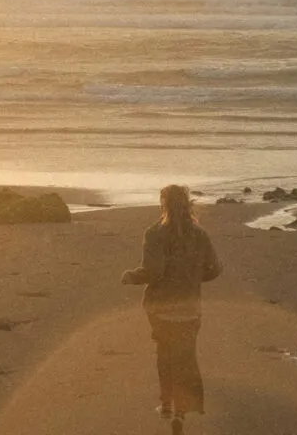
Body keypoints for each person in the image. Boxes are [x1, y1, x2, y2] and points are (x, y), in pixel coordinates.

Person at [122, 185, 222, 433]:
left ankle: (166, 404)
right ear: (188, 205)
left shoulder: (155, 233)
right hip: (189, 308)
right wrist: (193, 279)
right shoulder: (200, 234)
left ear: (163, 205)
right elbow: (215, 268)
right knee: (186, 357)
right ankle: (181, 409)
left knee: (165, 354)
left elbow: (154, 271)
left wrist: (131, 277)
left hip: (161, 308)